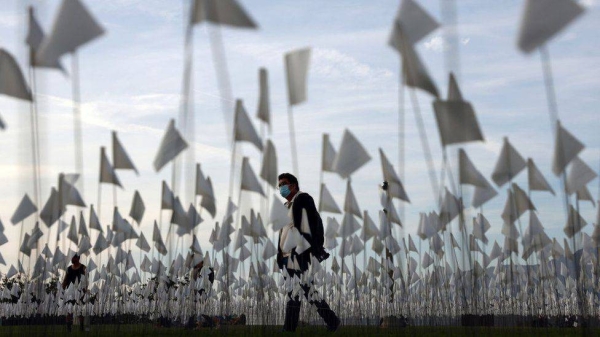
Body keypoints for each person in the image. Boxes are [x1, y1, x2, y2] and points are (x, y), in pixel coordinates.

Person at [276, 173, 340, 332]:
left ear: (293, 185)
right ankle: (329, 321)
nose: (281, 188)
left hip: (299, 253)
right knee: (296, 290)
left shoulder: (303, 199)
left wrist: (305, 248)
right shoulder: (285, 206)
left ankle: (330, 320)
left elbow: (311, 224)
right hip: (286, 255)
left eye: (284, 184)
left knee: (305, 289)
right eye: (279, 185)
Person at [61, 254, 87, 332]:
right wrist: (61, 290)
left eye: (73, 257)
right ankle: (69, 328)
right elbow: (65, 280)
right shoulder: (69, 269)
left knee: (80, 309)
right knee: (69, 310)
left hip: (80, 292)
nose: (72, 259)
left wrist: (85, 290)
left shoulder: (83, 267)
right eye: (72, 257)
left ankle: (81, 327)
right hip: (70, 292)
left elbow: (86, 279)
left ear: (78, 258)